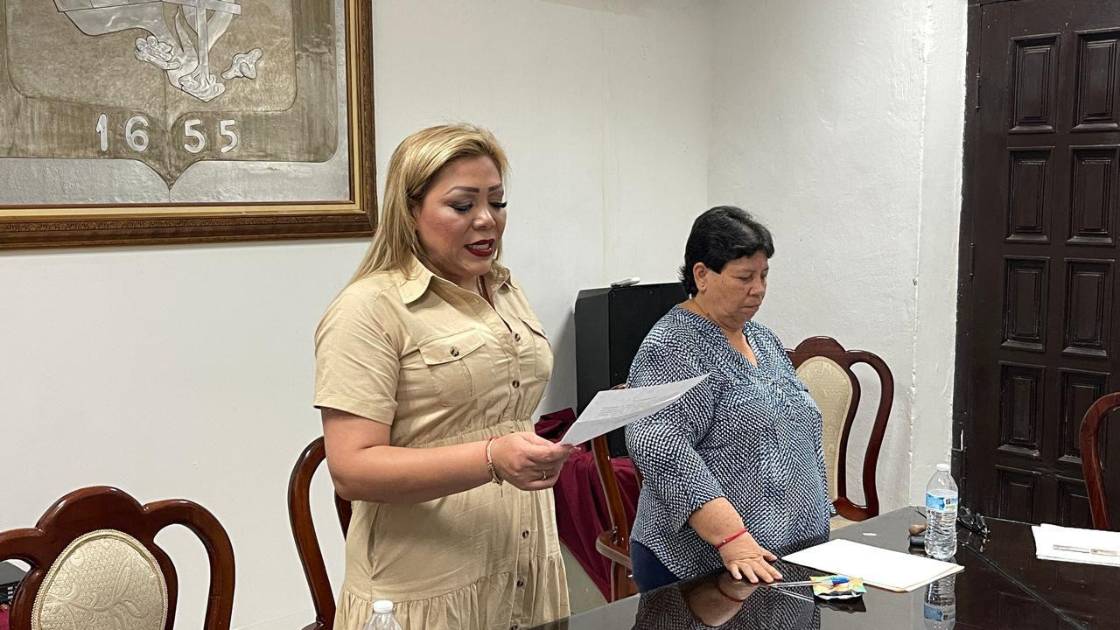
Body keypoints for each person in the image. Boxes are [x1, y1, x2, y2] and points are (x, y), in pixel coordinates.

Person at [314, 124, 573, 630]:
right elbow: (351, 469)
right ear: (411, 211)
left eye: (497, 202)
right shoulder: (368, 310)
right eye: (462, 205)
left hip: (525, 567)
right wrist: (491, 458)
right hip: (429, 590)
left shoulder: (504, 289)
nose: (487, 219)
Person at [625, 206, 831, 592]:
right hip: (704, 565)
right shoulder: (672, 347)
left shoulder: (763, 339)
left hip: (784, 556)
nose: (759, 289)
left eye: (764, 275)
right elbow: (658, 445)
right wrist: (731, 538)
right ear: (702, 275)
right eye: (744, 277)